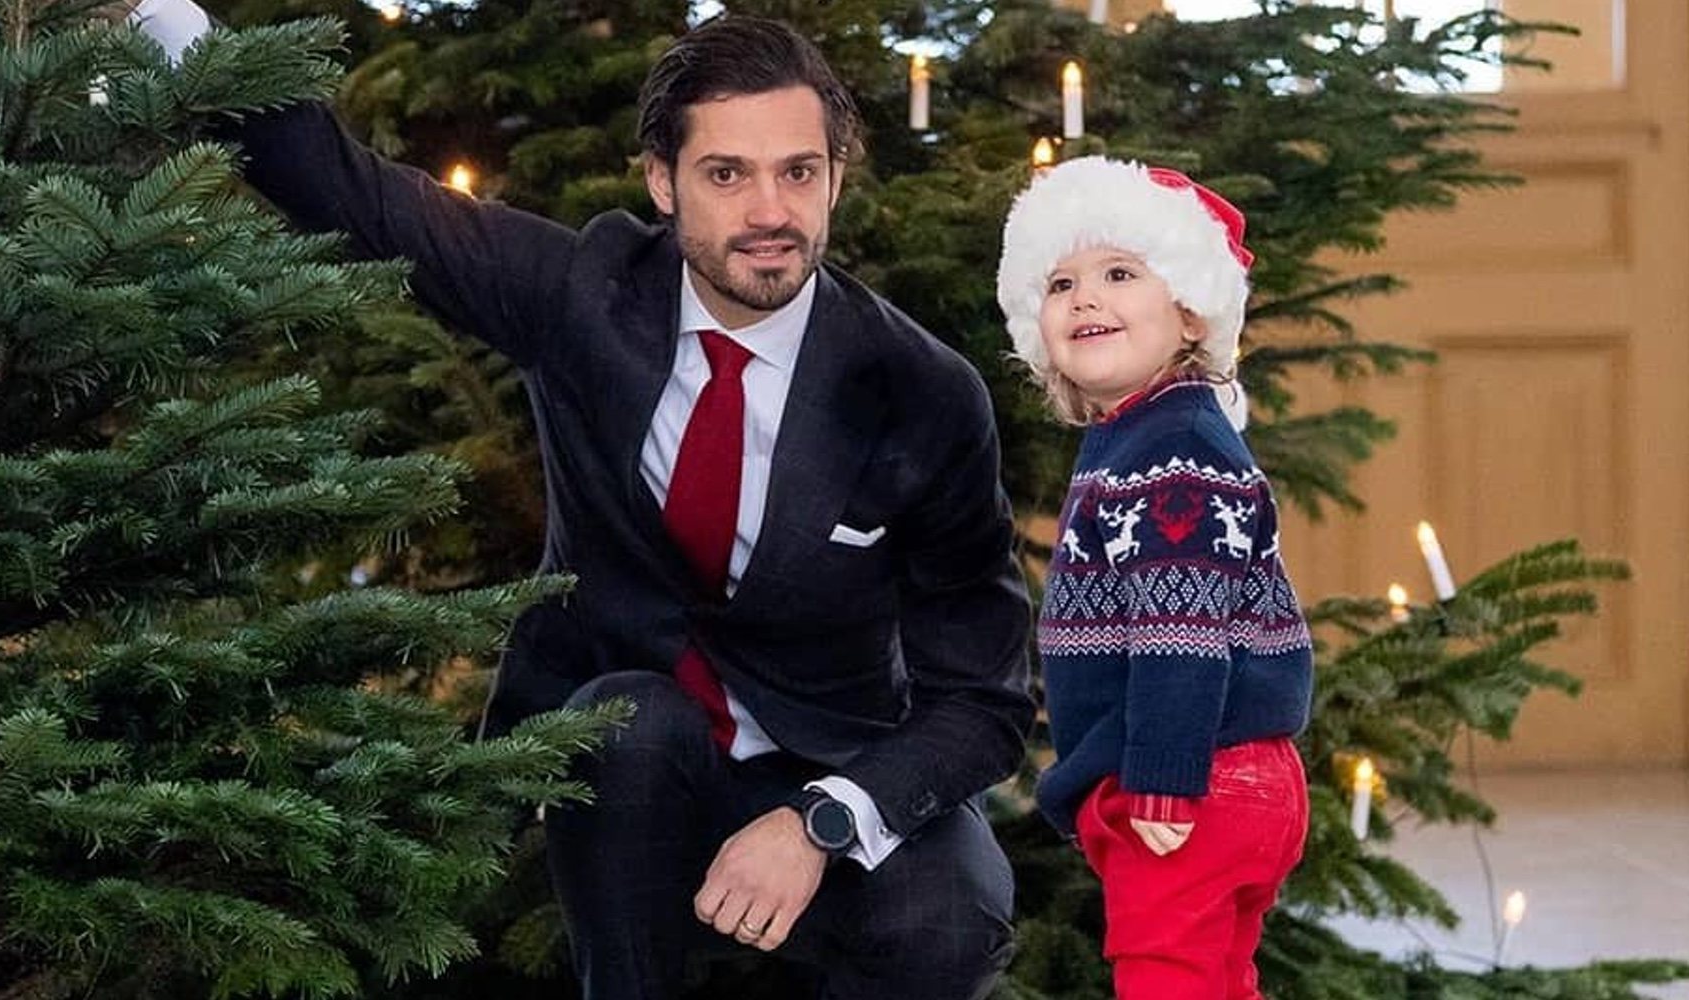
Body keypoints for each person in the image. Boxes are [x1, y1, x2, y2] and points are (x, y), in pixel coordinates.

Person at [123, 6, 1036, 998]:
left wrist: (824, 817)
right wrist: (178, 30)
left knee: (951, 916)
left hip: (837, 755)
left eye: (798, 172)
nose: (770, 210)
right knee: (620, 717)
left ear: (834, 178)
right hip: (639, 768)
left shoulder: (922, 390)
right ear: (662, 182)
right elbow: (358, 198)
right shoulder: (583, 293)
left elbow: (983, 702)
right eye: (726, 174)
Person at [995, 156, 1315, 999]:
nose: (1085, 297)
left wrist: (1163, 777)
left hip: (1196, 777)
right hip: (1240, 775)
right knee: (1215, 980)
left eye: (1120, 273)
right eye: (1060, 282)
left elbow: (1185, 629)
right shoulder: (1151, 435)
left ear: (1189, 310)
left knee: (1165, 980)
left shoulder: (1170, 452)